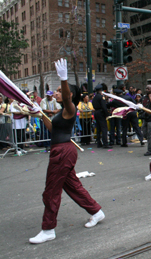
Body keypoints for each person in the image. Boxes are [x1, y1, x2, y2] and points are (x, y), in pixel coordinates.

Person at [29, 59, 104, 244]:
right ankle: (96, 211)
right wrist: (40, 113)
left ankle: (48, 229)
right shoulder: (61, 111)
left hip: (63, 152)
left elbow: (70, 99)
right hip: (61, 150)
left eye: (60, 91)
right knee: (72, 187)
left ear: (69, 95)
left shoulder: (70, 108)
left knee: (51, 190)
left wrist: (64, 78)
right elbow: (54, 130)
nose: (56, 92)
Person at [92, 84, 111, 148]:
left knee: (98, 128)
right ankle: (105, 143)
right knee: (104, 128)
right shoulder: (101, 97)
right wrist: (107, 114)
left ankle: (98, 142)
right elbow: (104, 107)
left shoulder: (94, 98)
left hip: (96, 112)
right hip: (101, 113)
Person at [142, 85, 151, 156]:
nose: (146, 89)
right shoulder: (144, 98)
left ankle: (150, 150)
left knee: (150, 135)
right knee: (144, 133)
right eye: (146, 88)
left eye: (148, 88)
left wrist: (150, 97)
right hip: (145, 118)